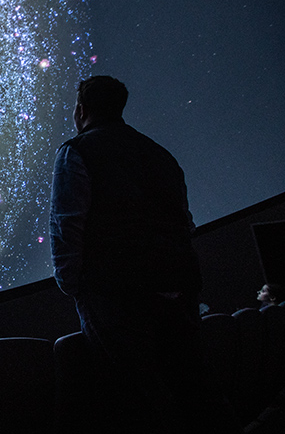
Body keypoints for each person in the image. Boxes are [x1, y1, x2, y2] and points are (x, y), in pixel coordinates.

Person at [50, 76, 211, 433]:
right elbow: (185, 223)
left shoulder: (77, 151)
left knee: (136, 398)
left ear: (81, 110)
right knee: (190, 392)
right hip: (178, 287)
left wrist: (74, 285)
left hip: (115, 294)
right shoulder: (161, 155)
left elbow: (66, 225)